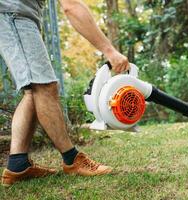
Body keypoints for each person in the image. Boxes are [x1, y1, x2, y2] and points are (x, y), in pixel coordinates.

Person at [0, 0, 130, 187]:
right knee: (45, 87)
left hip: (19, 15)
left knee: (33, 92)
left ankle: (18, 166)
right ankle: (72, 159)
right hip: (13, 14)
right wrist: (110, 51)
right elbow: (72, 7)